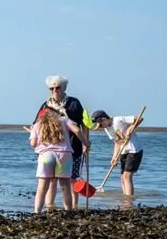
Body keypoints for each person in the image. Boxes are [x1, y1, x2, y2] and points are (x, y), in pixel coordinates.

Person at [32, 76, 91, 209]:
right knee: (51, 180)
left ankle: (74, 206)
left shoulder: (74, 103)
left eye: (58, 87)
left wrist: (85, 143)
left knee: (72, 178)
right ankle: (50, 206)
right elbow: (36, 124)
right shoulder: (46, 105)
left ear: (64, 88)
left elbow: (84, 124)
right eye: (51, 88)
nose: (55, 90)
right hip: (50, 148)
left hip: (73, 147)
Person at [29, 108, 88, 213]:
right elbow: (77, 130)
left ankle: (37, 212)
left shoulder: (37, 125)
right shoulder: (63, 120)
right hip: (64, 155)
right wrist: (86, 143)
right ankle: (68, 211)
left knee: (42, 188)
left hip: (46, 156)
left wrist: (34, 132)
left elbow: (33, 144)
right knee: (65, 187)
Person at [91, 109, 144, 197]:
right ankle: (126, 199)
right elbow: (117, 143)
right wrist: (114, 157)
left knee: (127, 176)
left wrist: (132, 127)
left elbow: (139, 118)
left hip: (134, 150)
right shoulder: (107, 129)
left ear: (104, 119)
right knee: (122, 178)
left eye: (100, 125)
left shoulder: (119, 120)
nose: (101, 127)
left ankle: (129, 202)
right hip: (123, 151)